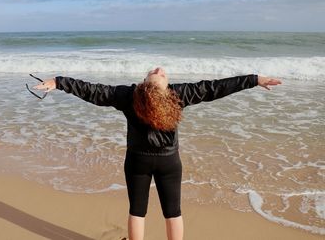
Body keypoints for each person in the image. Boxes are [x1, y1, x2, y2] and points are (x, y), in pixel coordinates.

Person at [32, 67, 282, 240]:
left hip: (137, 161)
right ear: (158, 85)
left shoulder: (128, 95)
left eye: (159, 72)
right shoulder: (176, 94)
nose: (160, 70)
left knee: (138, 210)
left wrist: (59, 82)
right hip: (169, 162)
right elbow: (213, 89)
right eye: (158, 72)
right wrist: (254, 79)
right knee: (171, 211)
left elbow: (93, 91)